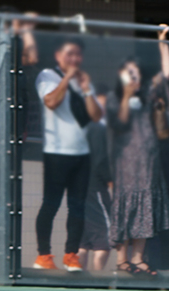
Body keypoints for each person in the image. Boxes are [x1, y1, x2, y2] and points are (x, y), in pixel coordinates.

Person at [106, 26, 169, 276]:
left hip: (148, 164)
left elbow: (167, 73)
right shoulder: (115, 99)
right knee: (126, 210)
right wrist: (125, 95)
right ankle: (122, 259)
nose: (134, 78)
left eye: (136, 74)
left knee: (145, 210)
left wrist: (162, 42)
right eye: (129, 74)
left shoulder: (148, 93)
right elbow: (119, 123)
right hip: (126, 166)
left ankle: (138, 259)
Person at [34, 37, 102, 271]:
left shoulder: (83, 80)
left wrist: (85, 89)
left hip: (82, 153)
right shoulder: (47, 75)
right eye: (70, 54)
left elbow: (95, 115)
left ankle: (71, 255)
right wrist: (66, 78)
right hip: (56, 152)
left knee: (78, 206)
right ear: (58, 55)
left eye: (78, 55)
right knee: (50, 204)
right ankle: (44, 255)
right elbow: (51, 101)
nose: (74, 59)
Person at [0, 10, 38, 254]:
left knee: (7, 190)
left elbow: (29, 58)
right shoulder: (1, 51)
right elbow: (31, 57)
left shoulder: (12, 53)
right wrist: (27, 30)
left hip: (9, 132)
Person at [76, 85, 112, 271]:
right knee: (104, 239)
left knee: (83, 240)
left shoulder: (83, 126)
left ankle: (78, 280)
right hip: (94, 186)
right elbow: (101, 161)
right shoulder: (97, 128)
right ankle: (97, 279)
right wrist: (110, 179)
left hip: (80, 186)